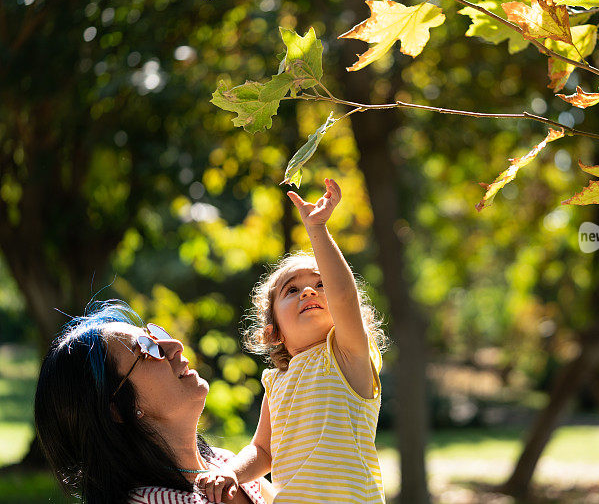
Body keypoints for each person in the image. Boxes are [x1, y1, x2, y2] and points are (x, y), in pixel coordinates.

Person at [196, 178, 388, 503]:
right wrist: (231, 472)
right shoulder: (276, 382)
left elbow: (343, 296)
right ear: (274, 333)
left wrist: (318, 230)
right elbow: (261, 450)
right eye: (292, 290)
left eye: (320, 283)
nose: (309, 291)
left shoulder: (348, 355)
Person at [34, 300, 276, 504]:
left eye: (156, 337)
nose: (175, 346)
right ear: (117, 409)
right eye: (147, 348)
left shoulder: (226, 464)